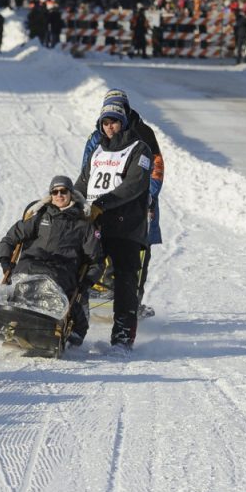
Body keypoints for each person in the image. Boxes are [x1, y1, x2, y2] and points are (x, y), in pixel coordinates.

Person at [74, 99, 152, 349]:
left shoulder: (139, 149)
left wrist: (103, 203)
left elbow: (135, 185)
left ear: (124, 123)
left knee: (125, 281)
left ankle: (122, 336)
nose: (110, 127)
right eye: (105, 122)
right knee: (81, 276)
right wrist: (67, 204)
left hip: (126, 226)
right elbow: (82, 184)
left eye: (114, 122)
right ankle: (77, 329)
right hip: (96, 225)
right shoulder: (97, 150)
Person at [80, 89, 164, 319]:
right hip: (100, 205)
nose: (110, 125)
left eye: (116, 117)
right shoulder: (96, 137)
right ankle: (97, 290)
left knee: (139, 251)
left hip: (137, 204)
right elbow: (87, 169)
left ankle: (132, 298)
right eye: (105, 120)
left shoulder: (144, 134)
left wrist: (150, 196)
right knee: (94, 247)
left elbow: (156, 167)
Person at [0, 175, 104, 347]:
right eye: (55, 192)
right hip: (30, 265)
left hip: (62, 271)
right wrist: (5, 261)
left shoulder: (83, 225)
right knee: (21, 279)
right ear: (50, 195)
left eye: (63, 191)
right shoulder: (40, 216)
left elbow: (97, 260)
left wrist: (86, 282)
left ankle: (50, 324)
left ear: (71, 194)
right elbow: (9, 239)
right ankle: (13, 320)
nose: (59, 195)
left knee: (55, 284)